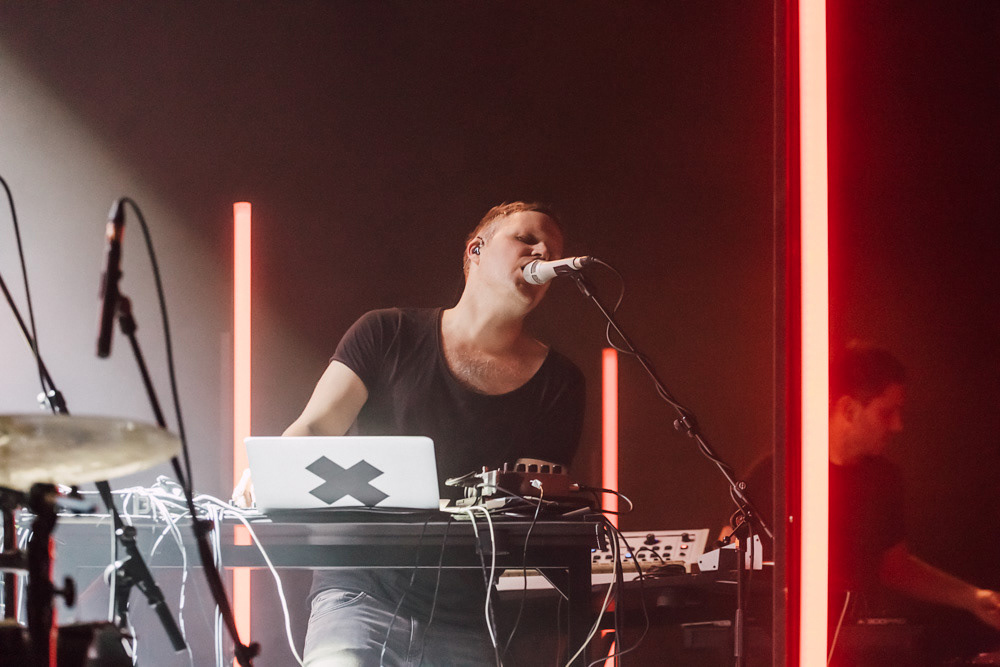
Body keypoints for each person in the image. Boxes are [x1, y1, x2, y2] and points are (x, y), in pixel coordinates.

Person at [236, 202, 585, 666]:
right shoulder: (387, 332)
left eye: (553, 251)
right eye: (526, 239)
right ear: (476, 250)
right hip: (359, 596)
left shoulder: (560, 382)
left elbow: (534, 502)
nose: (543, 253)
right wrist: (275, 469)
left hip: (467, 617)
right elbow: (317, 425)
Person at [739, 343, 1000, 658]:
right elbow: (731, 571)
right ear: (849, 410)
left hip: (859, 649)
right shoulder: (771, 477)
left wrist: (972, 597)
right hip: (783, 650)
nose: (898, 425)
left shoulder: (884, 478)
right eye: (886, 412)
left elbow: (894, 567)